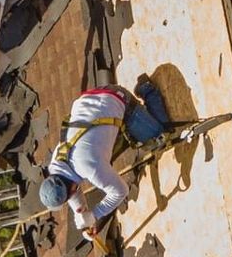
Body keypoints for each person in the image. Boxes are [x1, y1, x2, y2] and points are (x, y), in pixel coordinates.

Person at [37, 82, 171, 237]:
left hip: (119, 99)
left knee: (160, 138)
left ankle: (147, 89)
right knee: (104, 155)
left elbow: (120, 191)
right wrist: (83, 216)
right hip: (93, 99)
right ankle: (127, 130)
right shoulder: (55, 166)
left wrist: (95, 214)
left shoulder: (90, 167)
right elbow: (72, 191)